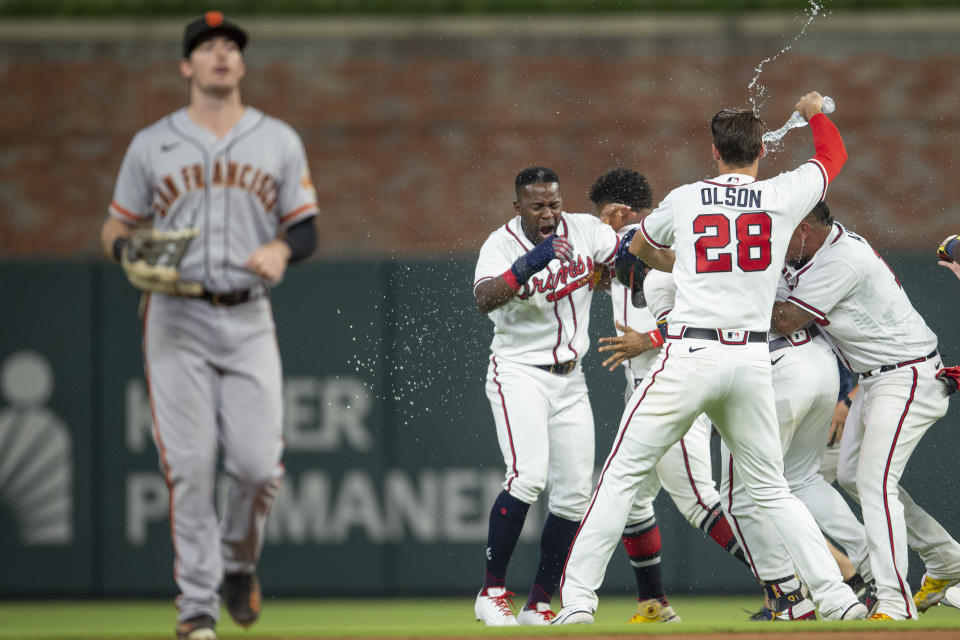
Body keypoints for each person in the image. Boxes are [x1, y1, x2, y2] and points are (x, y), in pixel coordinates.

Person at [554, 91, 867, 624]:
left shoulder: (686, 197)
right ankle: (838, 598)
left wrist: (684, 260)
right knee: (771, 490)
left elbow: (640, 251)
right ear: (760, 152)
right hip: (749, 361)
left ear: (713, 150)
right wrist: (814, 111)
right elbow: (833, 158)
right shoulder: (781, 194)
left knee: (621, 476)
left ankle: (579, 603)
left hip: (690, 354)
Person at [99, 12, 318, 640]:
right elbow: (116, 226)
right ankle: (195, 607)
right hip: (175, 316)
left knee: (256, 467)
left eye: (230, 46)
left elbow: (304, 226)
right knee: (191, 466)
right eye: (206, 46)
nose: (220, 54)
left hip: (247, 314)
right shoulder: (151, 143)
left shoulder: (277, 139)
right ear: (186, 66)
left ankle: (238, 564)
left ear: (241, 64)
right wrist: (125, 252)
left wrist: (281, 250)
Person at [771, 202, 960, 621]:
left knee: (875, 485)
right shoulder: (810, 252)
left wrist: (728, 297)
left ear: (802, 228)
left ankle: (895, 600)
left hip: (906, 376)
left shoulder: (842, 258)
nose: (772, 242)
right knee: (852, 475)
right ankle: (946, 559)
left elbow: (786, 321)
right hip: (875, 378)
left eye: (780, 231)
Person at [589, 168, 749, 624]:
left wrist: (650, 339)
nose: (601, 224)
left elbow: (704, 315)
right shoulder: (627, 250)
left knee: (700, 502)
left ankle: (794, 584)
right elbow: (607, 271)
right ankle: (653, 604)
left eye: (604, 215)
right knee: (635, 499)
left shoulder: (665, 250)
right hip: (641, 387)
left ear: (619, 213)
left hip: (670, 383)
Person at [471, 166, 619, 625]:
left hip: (572, 377)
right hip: (519, 372)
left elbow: (624, 258)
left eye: (553, 203)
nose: (548, 213)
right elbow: (483, 298)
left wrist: (626, 236)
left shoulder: (585, 230)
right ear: (519, 207)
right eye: (537, 206)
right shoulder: (501, 244)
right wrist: (527, 264)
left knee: (575, 494)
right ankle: (491, 591)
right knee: (527, 477)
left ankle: (539, 601)